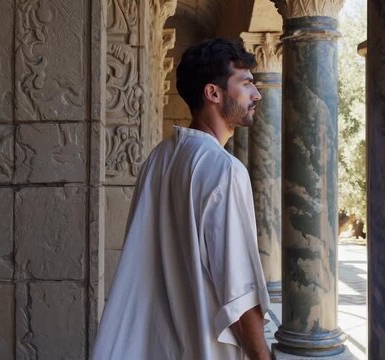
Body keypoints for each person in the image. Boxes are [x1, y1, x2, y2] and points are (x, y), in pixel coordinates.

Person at [92, 38, 271, 360]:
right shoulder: (224, 169)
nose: (256, 94)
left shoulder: (159, 158)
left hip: (156, 345)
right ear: (213, 93)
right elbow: (240, 290)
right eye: (245, 84)